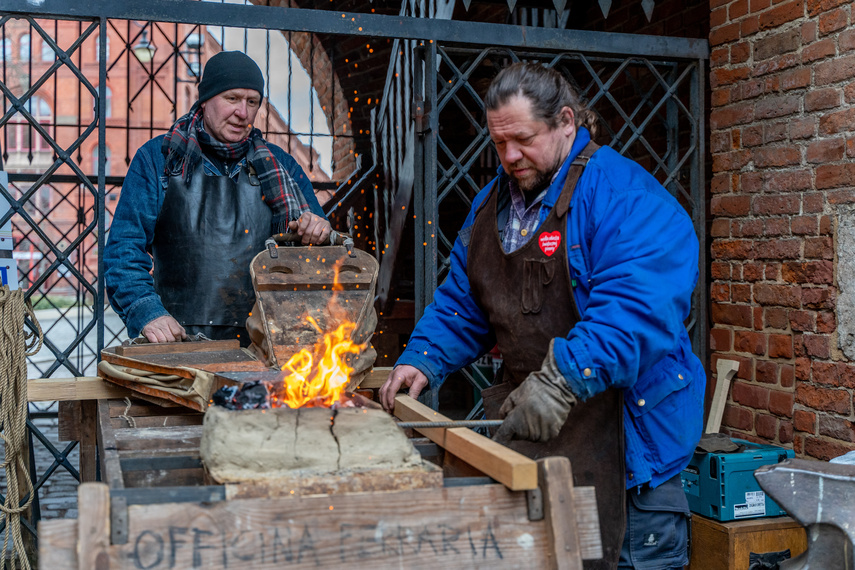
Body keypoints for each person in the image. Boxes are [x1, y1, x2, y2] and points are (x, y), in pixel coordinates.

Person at [379, 62, 705, 569]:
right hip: (540, 453)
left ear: (567, 123)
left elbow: (638, 308)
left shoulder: (625, 196)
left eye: (524, 140)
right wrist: (422, 358)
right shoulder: (491, 208)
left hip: (631, 467)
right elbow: (464, 298)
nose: (510, 157)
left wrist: (563, 379)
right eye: (499, 144)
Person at [105, 51, 331, 346]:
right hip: (179, 343)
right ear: (206, 99)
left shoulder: (282, 165)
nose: (243, 113)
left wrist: (319, 233)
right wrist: (147, 312)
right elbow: (123, 251)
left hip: (270, 342)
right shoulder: (157, 159)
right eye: (232, 98)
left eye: (252, 102)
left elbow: (322, 260)